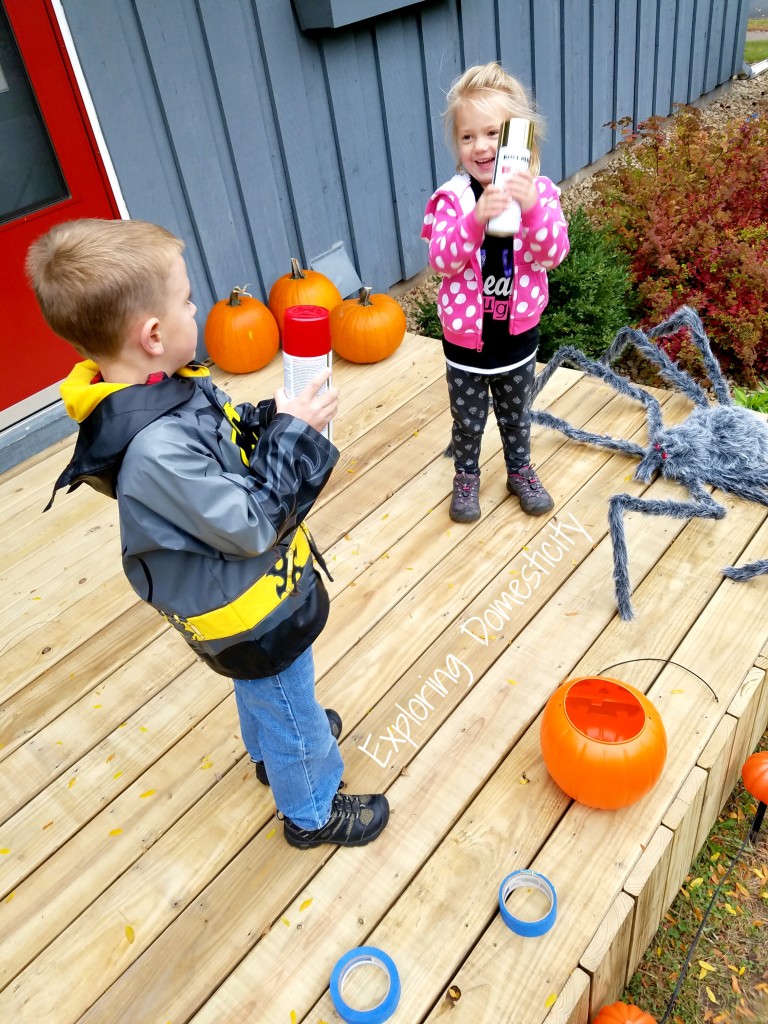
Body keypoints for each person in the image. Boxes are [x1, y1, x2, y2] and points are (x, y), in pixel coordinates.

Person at [27, 218, 389, 850]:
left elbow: (217, 436)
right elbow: (251, 524)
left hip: (243, 598)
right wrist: (294, 438)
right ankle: (311, 809)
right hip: (246, 608)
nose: (199, 307)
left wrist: (271, 417)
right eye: (189, 300)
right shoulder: (154, 450)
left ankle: (274, 751)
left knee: (265, 689)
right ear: (153, 334)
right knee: (286, 692)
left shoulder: (158, 388)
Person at [421, 62, 570, 523]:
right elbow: (441, 260)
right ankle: (466, 476)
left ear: (521, 140)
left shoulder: (540, 194)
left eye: (493, 134)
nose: (481, 146)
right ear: (458, 144)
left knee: (516, 414)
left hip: (517, 338)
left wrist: (530, 211)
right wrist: (475, 220)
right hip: (466, 342)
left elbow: (552, 254)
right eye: (468, 137)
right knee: (467, 420)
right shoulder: (453, 200)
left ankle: (519, 469)